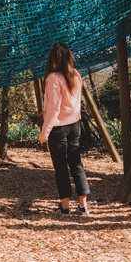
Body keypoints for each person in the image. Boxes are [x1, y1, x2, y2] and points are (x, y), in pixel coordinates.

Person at [38, 42, 90, 215]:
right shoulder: (75, 75)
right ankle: (83, 206)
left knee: (61, 168)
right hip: (75, 124)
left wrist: (44, 133)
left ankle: (65, 208)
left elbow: (54, 109)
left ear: (53, 58)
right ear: (68, 57)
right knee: (76, 164)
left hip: (58, 128)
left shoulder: (53, 78)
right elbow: (72, 103)